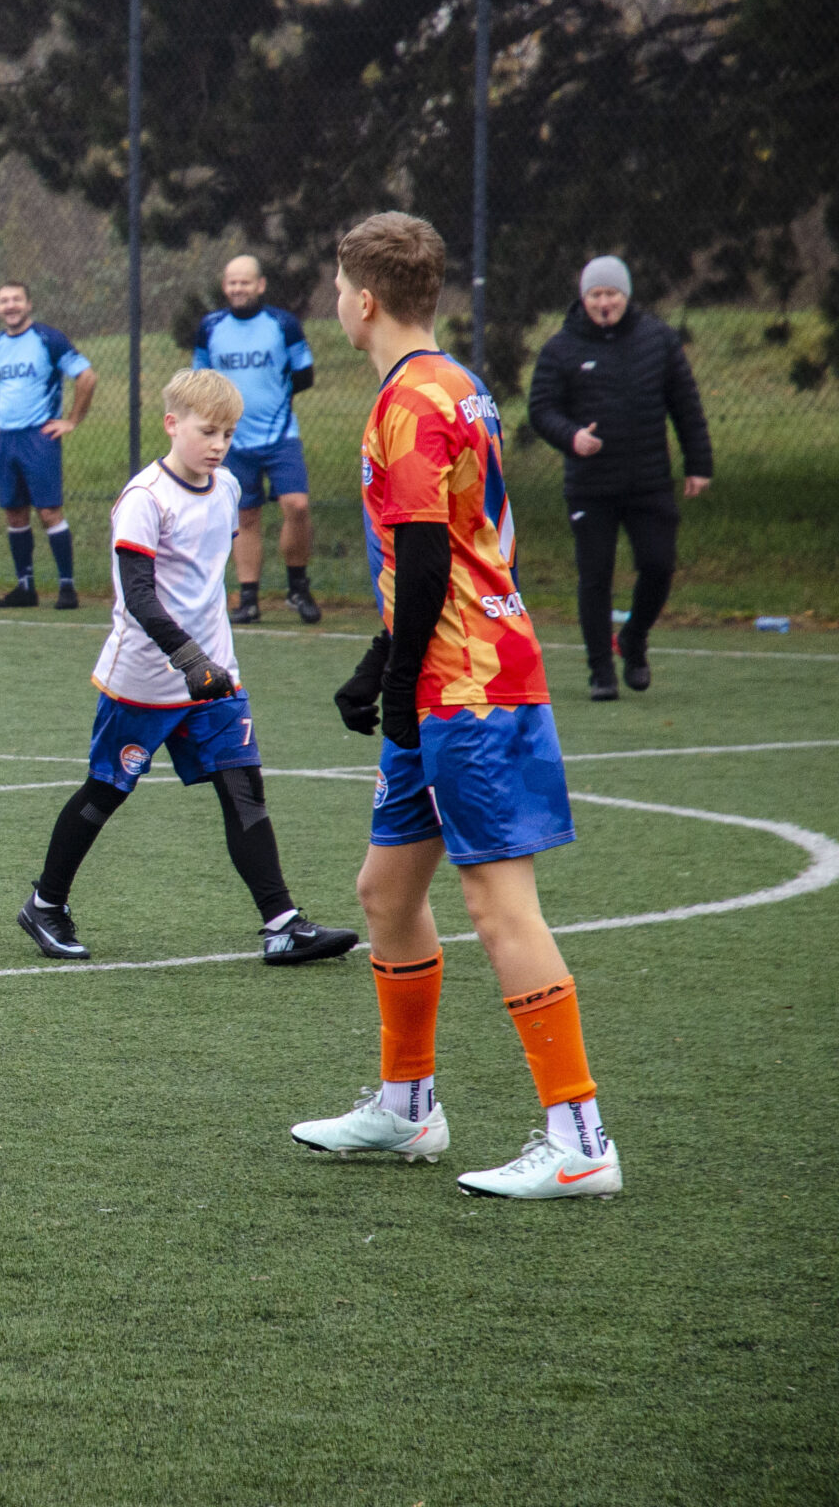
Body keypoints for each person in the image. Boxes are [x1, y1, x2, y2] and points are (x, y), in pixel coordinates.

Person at [298, 211, 620, 1201]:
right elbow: (469, 543)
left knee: (498, 905)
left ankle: (579, 1138)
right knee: (386, 893)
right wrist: (383, 659)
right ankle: (408, 1107)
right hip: (448, 669)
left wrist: (401, 680)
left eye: (336, 290)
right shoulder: (458, 384)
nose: (335, 304)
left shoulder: (408, 400)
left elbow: (432, 553)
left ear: (363, 300)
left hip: (467, 689)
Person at [16, 367, 358, 968]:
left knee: (243, 789)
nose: (219, 445)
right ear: (172, 424)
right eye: (208, 432)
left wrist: (208, 660)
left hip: (215, 676)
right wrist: (188, 657)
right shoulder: (144, 499)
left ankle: (283, 924)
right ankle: (45, 904)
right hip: (145, 681)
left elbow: (202, 582)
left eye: (228, 433)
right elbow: (139, 597)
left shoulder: (227, 488)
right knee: (106, 790)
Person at [525, 255, 713, 699]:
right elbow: (541, 409)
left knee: (658, 565)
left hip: (649, 481)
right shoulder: (561, 348)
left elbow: (685, 404)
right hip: (590, 486)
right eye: (595, 295)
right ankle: (601, 672)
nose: (604, 303)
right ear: (583, 298)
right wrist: (572, 437)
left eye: (611, 294)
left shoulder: (658, 340)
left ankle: (633, 637)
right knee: (595, 576)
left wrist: (699, 463)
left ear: (625, 296)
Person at [191, 254, 322, 624]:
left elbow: (304, 374)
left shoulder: (284, 325)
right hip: (232, 440)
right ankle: (248, 598)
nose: (238, 288)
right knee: (245, 516)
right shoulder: (210, 327)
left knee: (297, 506)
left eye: (245, 282)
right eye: (232, 282)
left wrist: (273, 401)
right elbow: (201, 381)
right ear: (224, 286)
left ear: (260, 285)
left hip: (280, 436)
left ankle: (297, 587)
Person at [0, 280, 97, 608]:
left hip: (39, 437)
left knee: (48, 512)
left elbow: (87, 377)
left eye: (16, 299)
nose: (10, 306)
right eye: (4, 301)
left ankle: (67, 587)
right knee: (15, 513)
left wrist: (71, 420)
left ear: (28, 305)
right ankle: (25, 588)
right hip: (7, 440)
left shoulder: (48, 339)